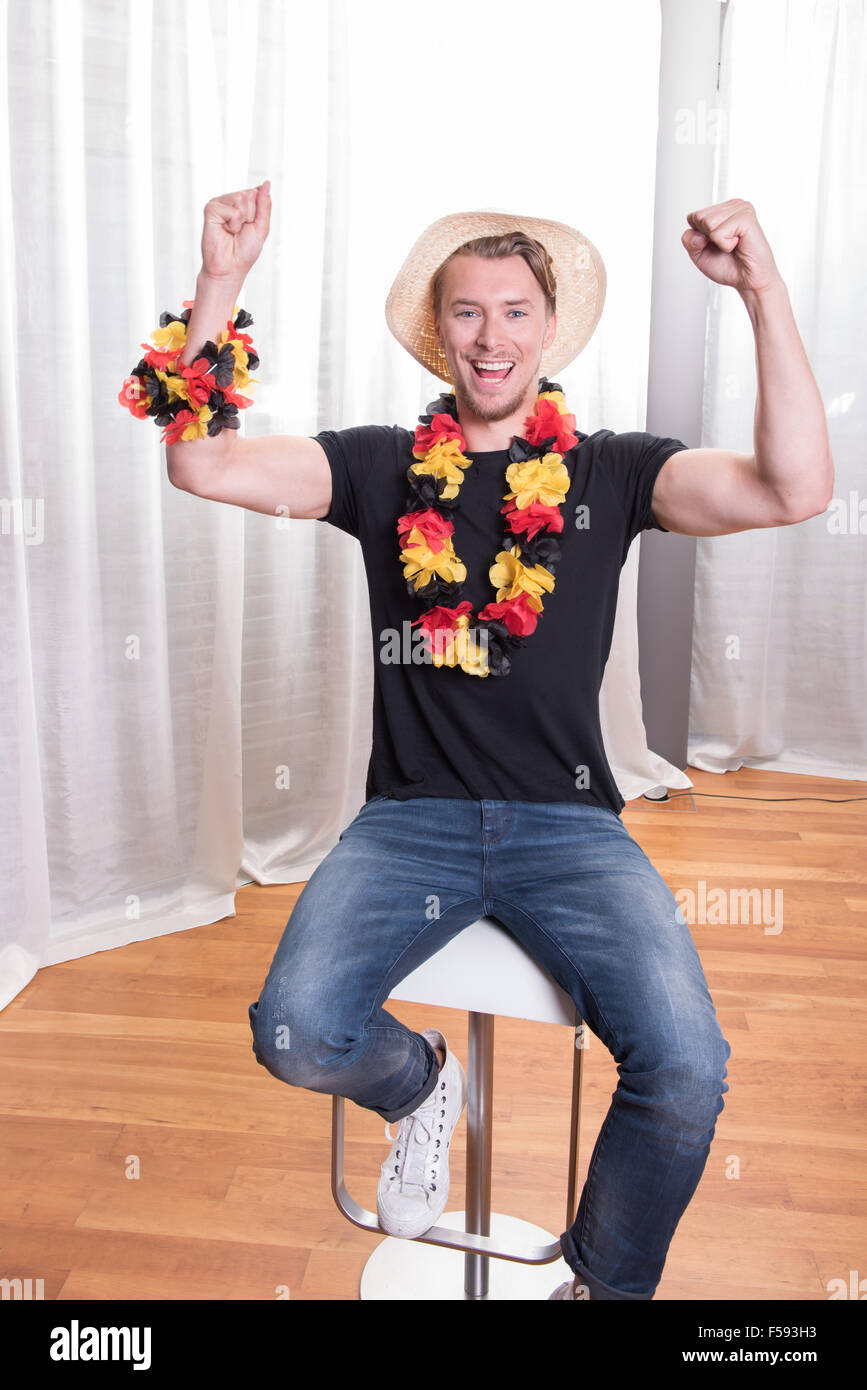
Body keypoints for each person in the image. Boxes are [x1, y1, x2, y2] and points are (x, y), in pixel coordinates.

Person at [163, 185, 834, 1300]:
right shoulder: (378, 465)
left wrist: (762, 289)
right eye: (468, 313)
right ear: (443, 331)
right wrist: (221, 279)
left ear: (547, 328)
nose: (492, 338)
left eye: (516, 312)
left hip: (570, 826)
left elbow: (797, 486)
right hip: (410, 822)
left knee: (686, 1066)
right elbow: (203, 465)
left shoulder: (614, 471)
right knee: (293, 1028)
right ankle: (420, 1085)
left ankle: (599, 1289)